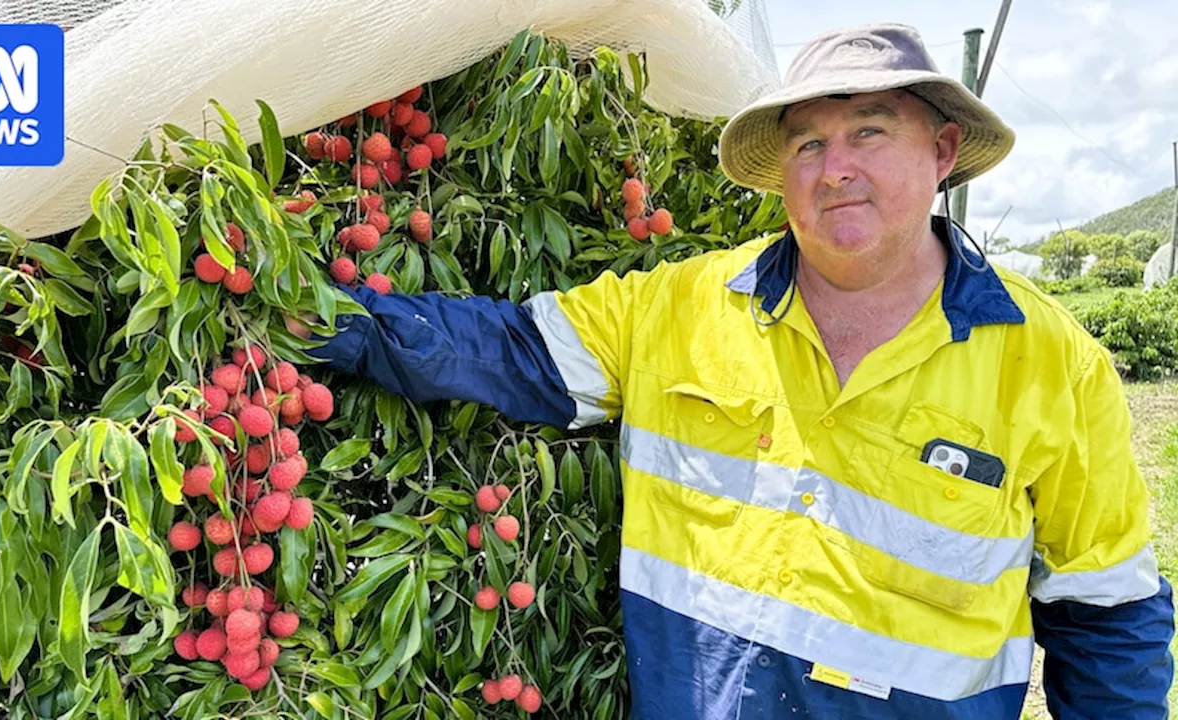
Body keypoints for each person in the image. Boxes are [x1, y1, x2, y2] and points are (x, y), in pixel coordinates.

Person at [296, 23, 1175, 719]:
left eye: (870, 132)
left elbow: (1107, 618)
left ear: (942, 153)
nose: (837, 170)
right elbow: (514, 350)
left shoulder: (1051, 363)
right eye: (808, 146)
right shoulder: (680, 307)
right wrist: (318, 319)